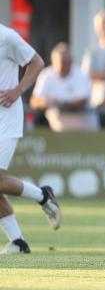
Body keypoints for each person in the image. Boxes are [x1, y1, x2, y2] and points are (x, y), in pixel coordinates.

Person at [0, 23, 60, 253]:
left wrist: (17, 90)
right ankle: (18, 242)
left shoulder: (7, 37)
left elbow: (37, 63)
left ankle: (43, 195)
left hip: (6, 121)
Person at [30, 42, 95, 131]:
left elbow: (82, 102)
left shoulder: (81, 75)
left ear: (71, 61)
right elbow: (34, 101)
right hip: (54, 128)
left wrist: (58, 103)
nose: (62, 66)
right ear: (53, 61)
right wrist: (44, 102)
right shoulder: (46, 75)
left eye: (65, 63)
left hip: (82, 129)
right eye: (60, 62)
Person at [81, 10, 105, 127]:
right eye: (102, 25)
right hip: (96, 103)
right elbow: (86, 75)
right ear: (96, 28)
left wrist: (100, 75)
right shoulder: (91, 51)